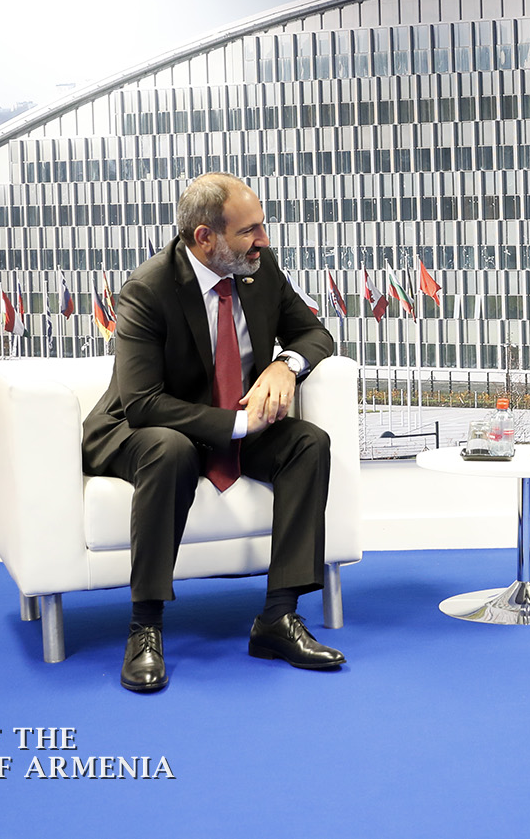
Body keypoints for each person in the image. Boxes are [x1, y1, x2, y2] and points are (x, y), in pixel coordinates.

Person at [82, 173, 342, 692]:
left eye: (261, 226)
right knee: (169, 450)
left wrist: (285, 366)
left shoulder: (258, 269)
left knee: (308, 444)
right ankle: (145, 627)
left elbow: (315, 333)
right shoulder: (148, 289)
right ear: (205, 238)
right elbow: (142, 402)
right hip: (143, 428)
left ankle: (278, 618)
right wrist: (239, 423)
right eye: (249, 231)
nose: (263, 240)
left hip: (227, 420)